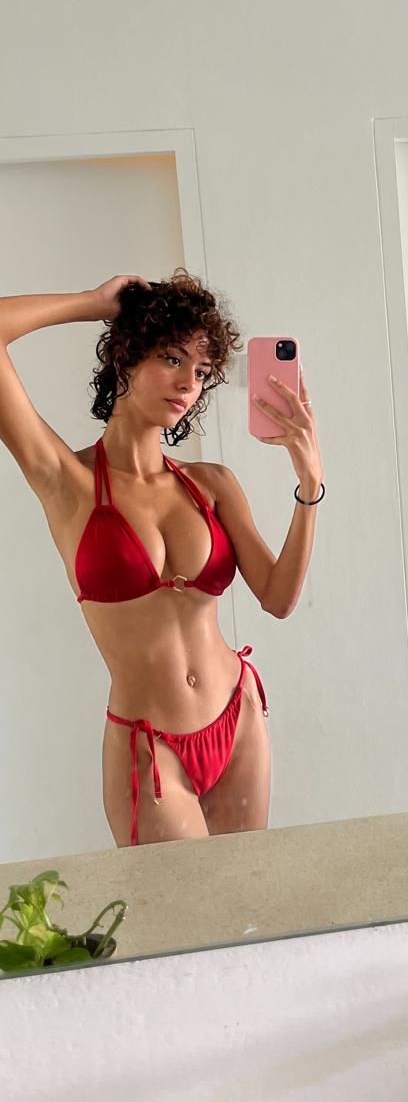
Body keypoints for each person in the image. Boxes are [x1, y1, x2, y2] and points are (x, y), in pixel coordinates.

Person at [0, 269, 324, 848]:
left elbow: (278, 598)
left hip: (237, 715)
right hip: (149, 746)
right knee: (185, 903)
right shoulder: (67, 481)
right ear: (125, 357)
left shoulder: (211, 484)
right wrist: (92, 303)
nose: (187, 384)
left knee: (246, 895)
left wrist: (309, 482)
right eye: (172, 359)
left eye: (200, 372)